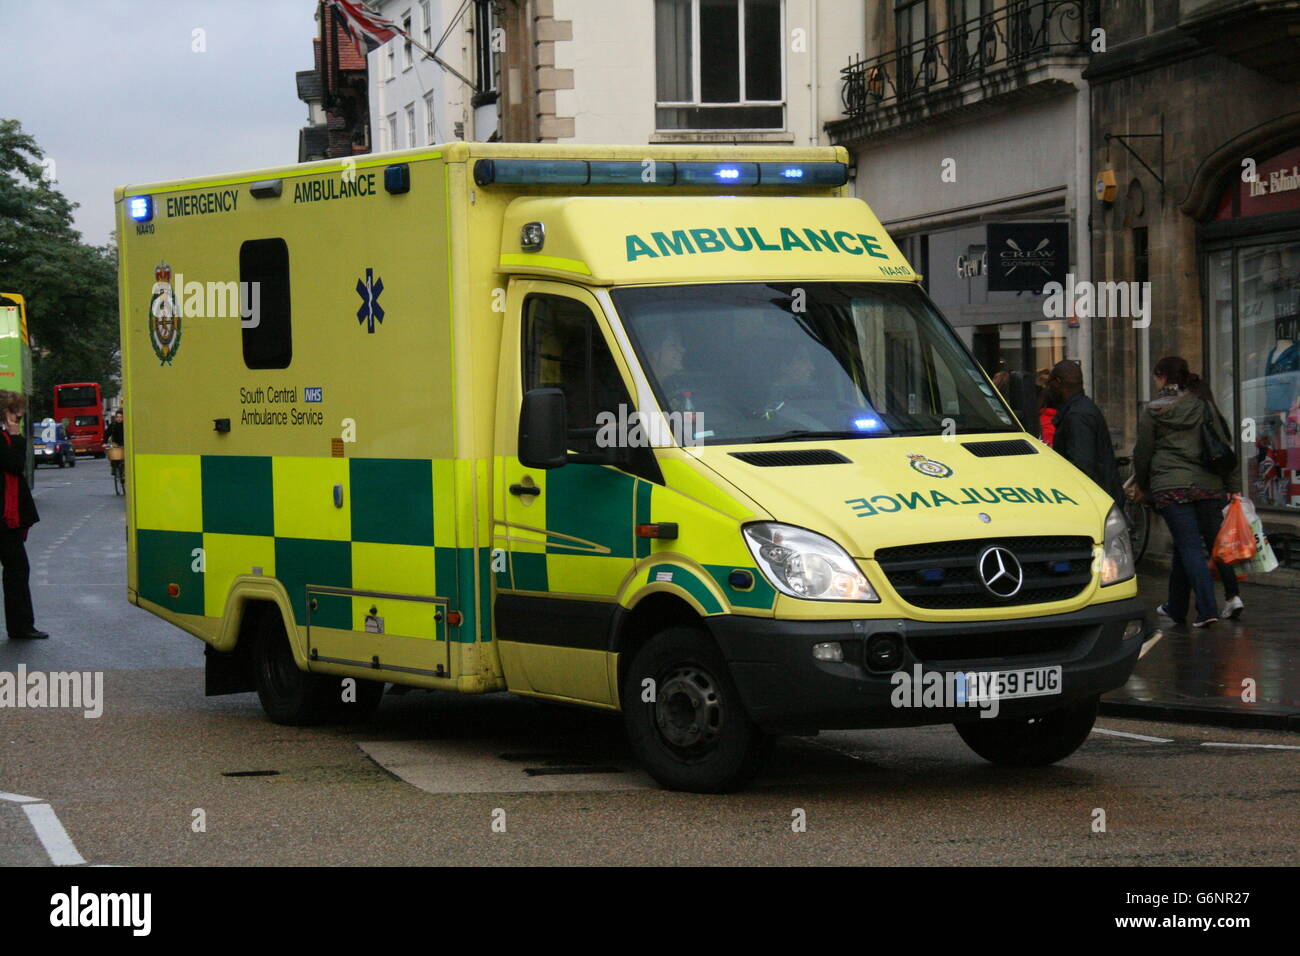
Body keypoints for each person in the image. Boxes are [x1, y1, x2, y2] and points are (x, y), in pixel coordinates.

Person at [1133, 356, 1243, 628]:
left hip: (1171, 486)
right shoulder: (1202, 404)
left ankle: (1207, 610)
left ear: (1160, 377)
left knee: (1190, 547)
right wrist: (1233, 487)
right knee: (1187, 547)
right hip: (1207, 485)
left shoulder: (1153, 410)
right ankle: (1177, 607)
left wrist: (1144, 485)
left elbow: (1143, 452)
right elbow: (1223, 447)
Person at [1046, 360, 1123, 508]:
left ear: (1058, 382)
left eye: (1050, 383)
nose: (1048, 389)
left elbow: (1082, 465)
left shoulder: (1077, 416)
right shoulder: (1082, 409)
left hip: (1092, 500)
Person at [0, 390, 45, 639]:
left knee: (17, 570)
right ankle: (20, 626)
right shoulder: (6, 437)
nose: (21, 415)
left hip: (7, 519)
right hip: (5, 519)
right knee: (16, 571)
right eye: (18, 411)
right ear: (7, 412)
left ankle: (21, 625)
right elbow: (14, 464)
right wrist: (16, 438)